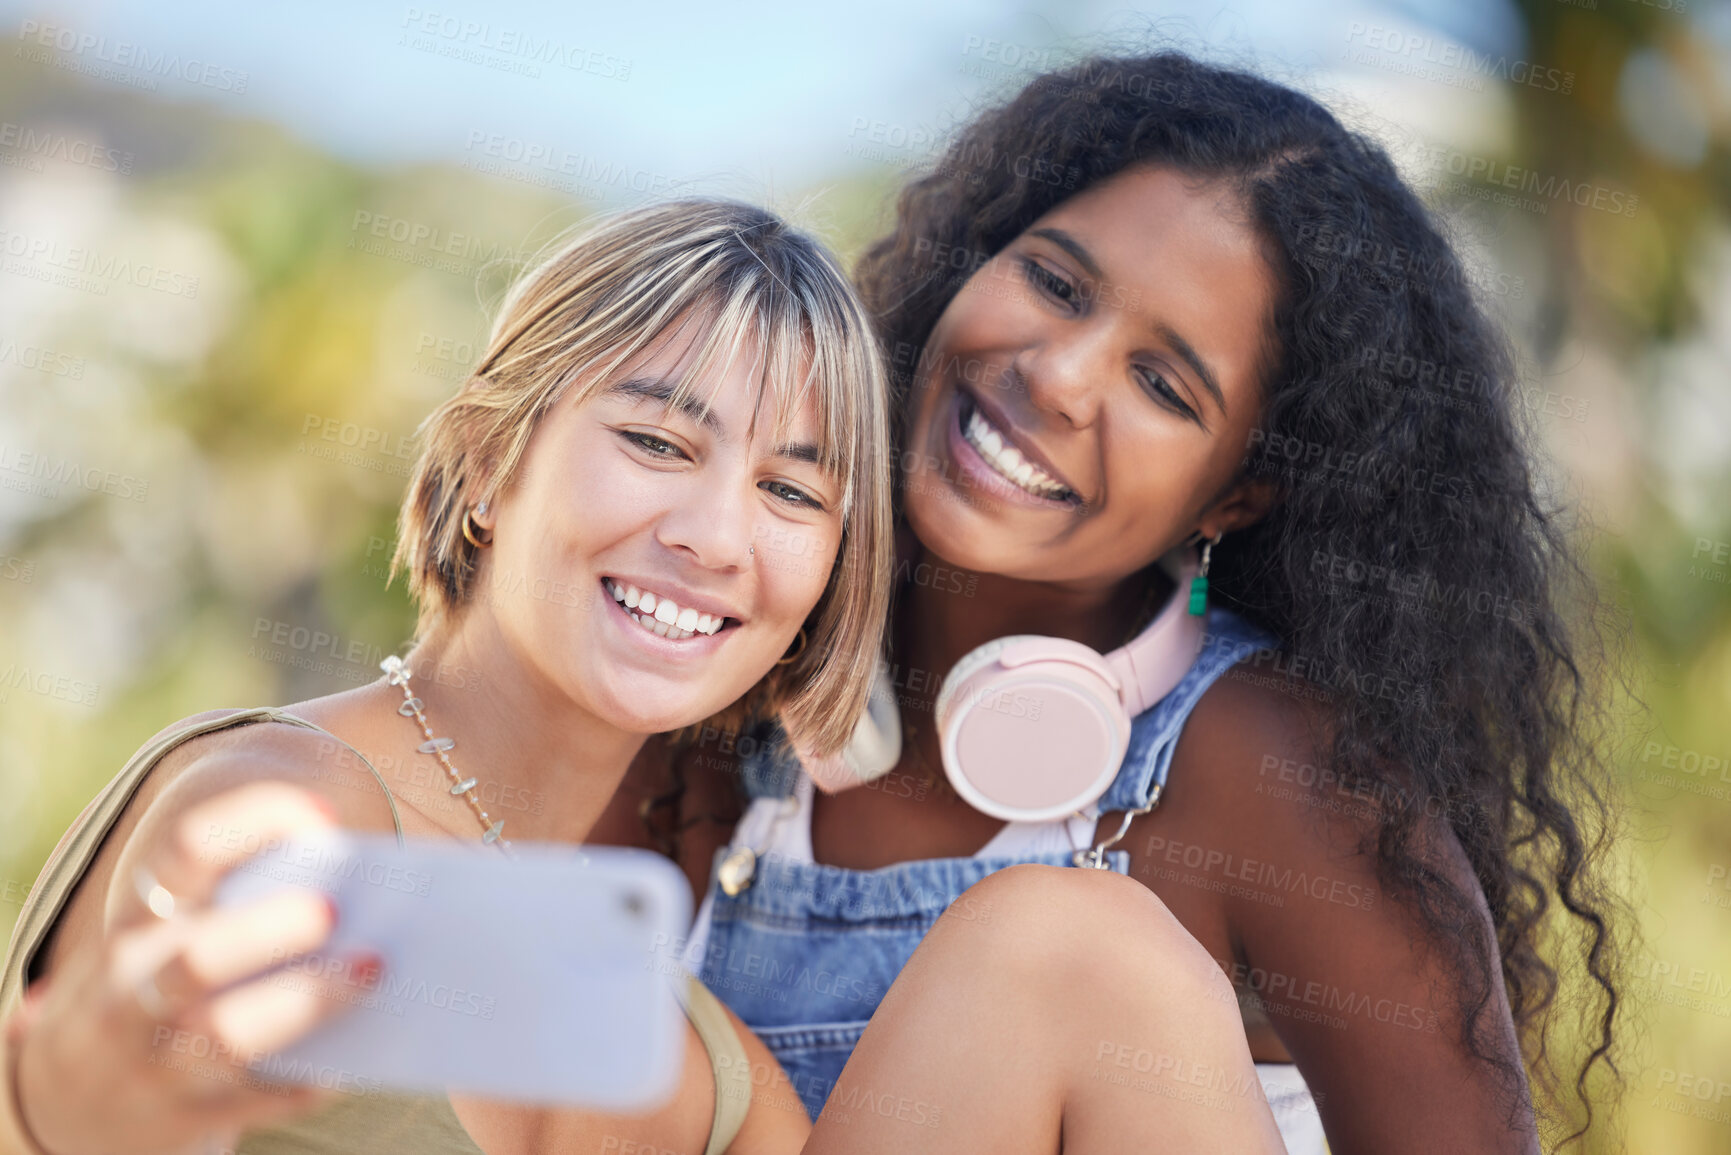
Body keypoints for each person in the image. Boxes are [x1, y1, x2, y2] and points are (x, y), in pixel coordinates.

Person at [0, 198, 1285, 1155]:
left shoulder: (653, 993)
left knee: (1078, 946)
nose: (717, 537)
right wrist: (65, 1100)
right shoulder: (300, 804)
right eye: (657, 440)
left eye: (791, 487)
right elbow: (111, 1078)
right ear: (494, 462)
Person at [634, 53, 1622, 1155]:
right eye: (1055, 284)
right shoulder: (733, 660)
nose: (1057, 377)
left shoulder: (1277, 772)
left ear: (1239, 492)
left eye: (1164, 386)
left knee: (1059, 946)